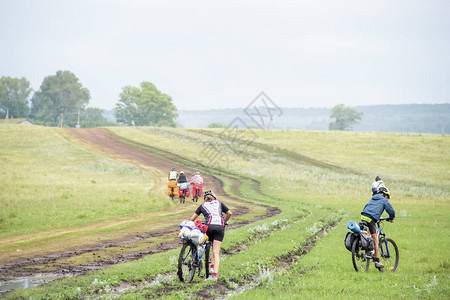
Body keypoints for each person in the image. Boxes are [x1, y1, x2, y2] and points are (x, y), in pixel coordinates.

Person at [190, 190, 232, 280]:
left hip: (208, 226)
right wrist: (225, 222)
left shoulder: (203, 205)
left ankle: (200, 260)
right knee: (216, 251)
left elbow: (192, 219)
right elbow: (229, 213)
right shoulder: (219, 203)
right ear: (215, 198)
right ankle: (214, 274)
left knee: (205, 243)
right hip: (220, 227)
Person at [361, 180, 395, 269]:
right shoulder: (384, 200)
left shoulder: (373, 198)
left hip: (364, 216)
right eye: (388, 197)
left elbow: (367, 206)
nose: (387, 199)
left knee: (367, 233)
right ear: (386, 195)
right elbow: (391, 211)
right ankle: (377, 260)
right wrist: (391, 218)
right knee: (375, 239)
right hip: (371, 219)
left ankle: (368, 249)